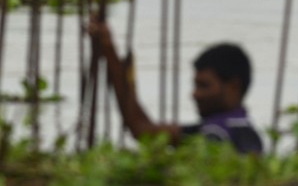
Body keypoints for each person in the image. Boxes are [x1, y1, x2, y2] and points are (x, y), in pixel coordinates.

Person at [88, 19, 264, 154]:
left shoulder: (215, 133)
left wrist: (109, 51)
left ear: (233, 86)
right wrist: (109, 52)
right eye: (196, 85)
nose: (195, 94)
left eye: (204, 86)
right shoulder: (246, 131)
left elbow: (140, 129)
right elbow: (141, 128)